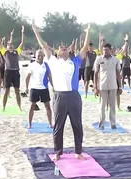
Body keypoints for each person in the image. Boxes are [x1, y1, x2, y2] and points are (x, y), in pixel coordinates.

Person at [32, 22, 91, 160]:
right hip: (59, 96)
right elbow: (44, 46)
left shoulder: (75, 61)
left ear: (69, 52)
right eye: (61, 48)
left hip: (74, 96)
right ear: (58, 52)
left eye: (65, 48)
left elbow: (84, 47)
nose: (63, 49)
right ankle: (58, 152)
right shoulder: (52, 61)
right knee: (58, 126)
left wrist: (88, 32)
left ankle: (78, 152)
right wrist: (36, 31)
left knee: (77, 125)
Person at [94, 42, 123, 130]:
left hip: (113, 85)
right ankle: (101, 123)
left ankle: (113, 123)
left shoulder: (115, 60)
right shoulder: (99, 59)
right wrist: (95, 87)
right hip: (102, 85)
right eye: (104, 50)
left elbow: (118, 74)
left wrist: (120, 86)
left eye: (107, 50)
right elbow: (95, 73)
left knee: (112, 105)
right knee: (102, 105)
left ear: (111, 50)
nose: (105, 51)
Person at [0, 25, 25, 111]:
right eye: (9, 45)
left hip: (16, 72)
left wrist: (22, 32)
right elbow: (0, 43)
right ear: (7, 46)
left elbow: (22, 43)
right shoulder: (5, 52)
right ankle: (4, 107)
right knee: (6, 91)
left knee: (17, 91)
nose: (10, 46)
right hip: (8, 72)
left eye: (11, 44)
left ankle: (19, 107)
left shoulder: (16, 51)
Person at [25, 50, 54, 129]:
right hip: (34, 88)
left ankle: (50, 123)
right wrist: (26, 88)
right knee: (32, 106)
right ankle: (30, 124)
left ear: (44, 56)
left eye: (42, 56)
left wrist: (53, 86)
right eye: (39, 56)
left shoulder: (46, 65)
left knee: (47, 106)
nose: (40, 57)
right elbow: (27, 77)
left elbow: (50, 76)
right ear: (36, 56)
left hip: (44, 88)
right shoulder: (32, 65)